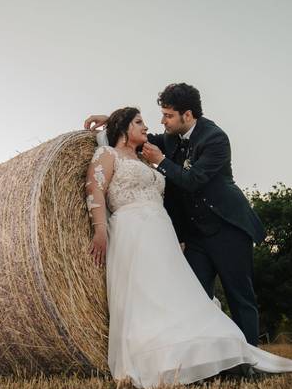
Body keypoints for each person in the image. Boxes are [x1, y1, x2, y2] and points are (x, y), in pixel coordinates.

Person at [83, 105, 292, 388]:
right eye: (140, 122)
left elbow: (185, 179)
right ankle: (159, 357)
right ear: (124, 128)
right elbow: (94, 187)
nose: (149, 127)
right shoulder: (107, 154)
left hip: (162, 232)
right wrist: (100, 229)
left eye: (159, 118)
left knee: (178, 295)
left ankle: (217, 356)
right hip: (132, 229)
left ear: (188, 114)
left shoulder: (159, 154)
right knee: (146, 295)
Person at [85, 83, 263, 348]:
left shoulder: (215, 138)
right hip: (194, 236)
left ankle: (249, 358)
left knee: (240, 296)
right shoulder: (170, 137)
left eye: (168, 115)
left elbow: (193, 180)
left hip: (227, 226)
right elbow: (133, 135)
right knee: (192, 297)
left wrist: (161, 162)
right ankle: (204, 355)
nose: (162, 121)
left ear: (187, 115)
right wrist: (112, 120)